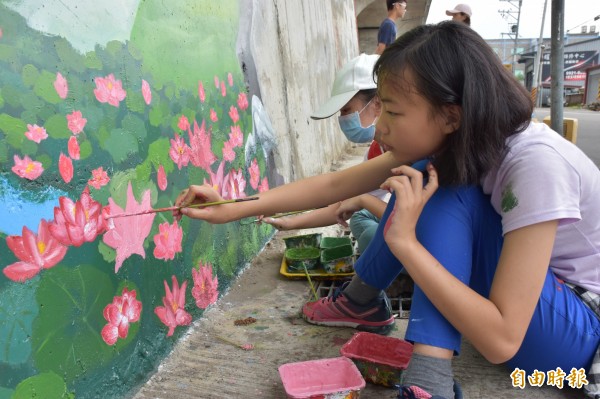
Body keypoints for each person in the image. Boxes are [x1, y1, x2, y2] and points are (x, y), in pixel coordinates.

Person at [175, 22, 600, 399]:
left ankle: (427, 380)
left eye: (393, 111)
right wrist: (232, 207)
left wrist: (406, 244)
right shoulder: (461, 140)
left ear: (451, 115)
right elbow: (335, 184)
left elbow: (502, 340)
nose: (379, 127)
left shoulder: (535, 164)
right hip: (535, 318)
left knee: (434, 183)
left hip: (573, 346)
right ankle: (362, 304)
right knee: (419, 175)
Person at [262, 53, 388, 257]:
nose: (343, 119)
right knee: (361, 216)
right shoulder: (377, 151)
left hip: (430, 245)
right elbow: (341, 203)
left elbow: (335, 189)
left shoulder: (412, 149)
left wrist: (364, 201)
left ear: (377, 103)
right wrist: (289, 223)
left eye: (347, 109)